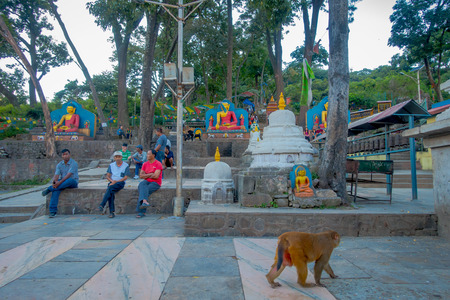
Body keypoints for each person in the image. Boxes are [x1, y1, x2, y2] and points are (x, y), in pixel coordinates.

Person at [42, 149, 79, 218]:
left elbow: (68, 175)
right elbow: (56, 175)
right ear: (62, 156)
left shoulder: (73, 163)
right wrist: (55, 183)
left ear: (69, 155)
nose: (65, 156)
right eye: (63, 154)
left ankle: (50, 188)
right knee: (56, 190)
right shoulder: (59, 165)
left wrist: (58, 183)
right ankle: (52, 211)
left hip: (72, 182)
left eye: (66, 154)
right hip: (62, 182)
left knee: (69, 180)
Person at [98, 151, 129, 218]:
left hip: (120, 182)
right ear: (114, 158)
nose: (117, 158)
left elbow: (125, 177)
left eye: (119, 157)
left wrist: (116, 181)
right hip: (112, 182)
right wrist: (112, 181)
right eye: (116, 157)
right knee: (110, 192)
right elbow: (108, 176)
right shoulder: (111, 165)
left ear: (121, 157)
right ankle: (111, 212)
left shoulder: (125, 165)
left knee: (110, 188)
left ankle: (102, 205)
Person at [136, 150, 163, 218]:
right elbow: (141, 175)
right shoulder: (145, 164)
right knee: (141, 184)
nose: (147, 155)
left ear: (153, 155)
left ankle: (141, 212)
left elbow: (156, 176)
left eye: (148, 154)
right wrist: (151, 174)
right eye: (147, 154)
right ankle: (144, 201)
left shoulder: (158, 163)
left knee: (144, 190)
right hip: (147, 181)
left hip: (156, 182)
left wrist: (147, 175)